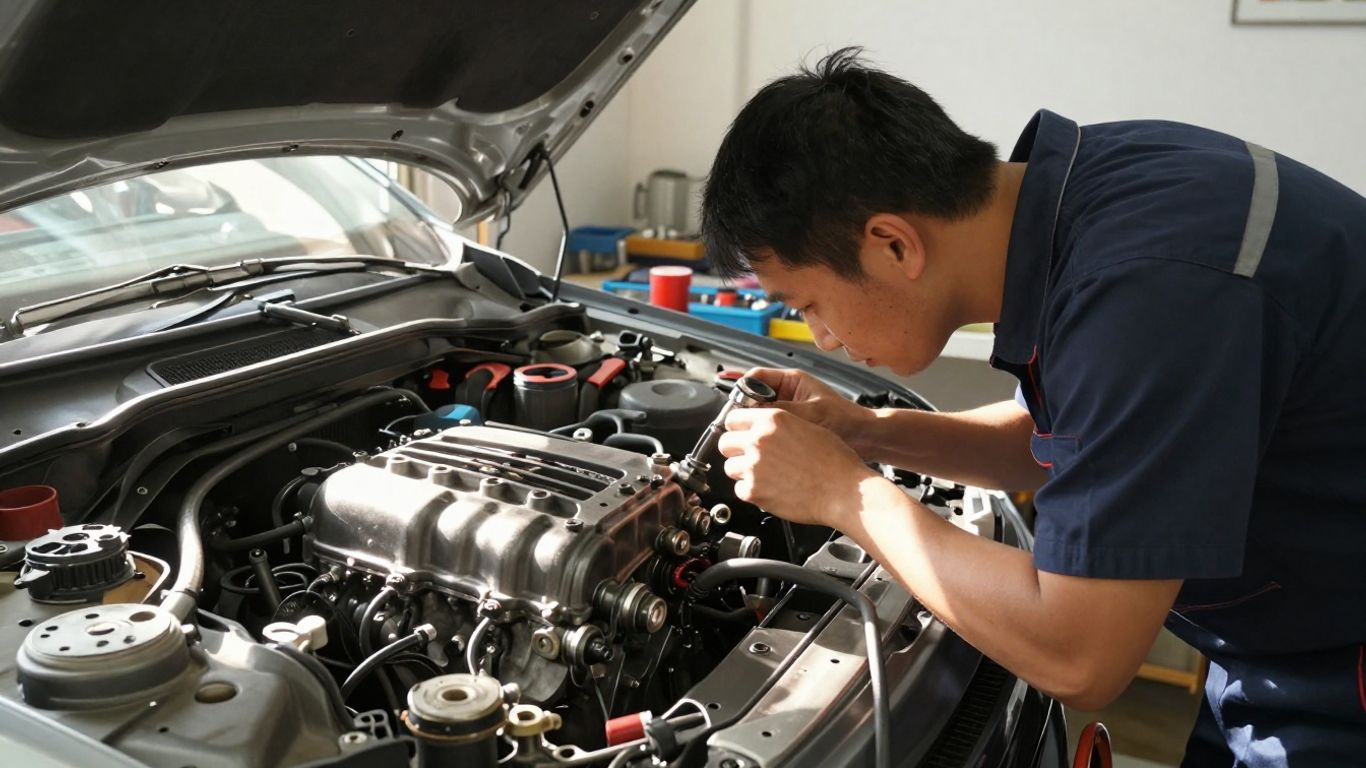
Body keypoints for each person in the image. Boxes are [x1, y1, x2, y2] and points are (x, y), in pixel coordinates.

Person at [700, 48, 1366, 767]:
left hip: (1339, 678)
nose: (820, 337)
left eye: (809, 305)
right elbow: (1064, 442)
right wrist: (862, 431)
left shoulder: (1146, 295)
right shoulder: (1096, 191)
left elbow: (1080, 658)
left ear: (893, 243)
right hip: (1283, 650)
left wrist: (846, 496)